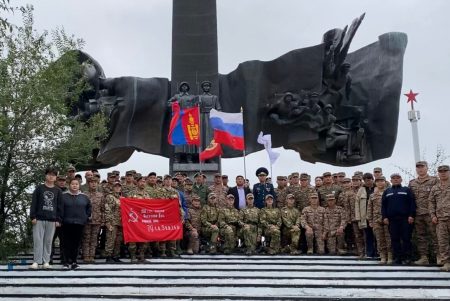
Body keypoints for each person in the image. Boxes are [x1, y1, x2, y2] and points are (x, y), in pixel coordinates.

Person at [29, 167, 63, 269]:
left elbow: (60, 206)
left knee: (48, 241)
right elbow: (34, 203)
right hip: (38, 218)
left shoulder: (58, 191)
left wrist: (58, 219)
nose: (51, 176)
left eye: (53, 175)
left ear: (56, 177)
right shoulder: (39, 188)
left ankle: (46, 261)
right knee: (38, 240)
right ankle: (36, 261)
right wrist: (33, 216)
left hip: (52, 219)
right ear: (46, 175)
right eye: (49, 174)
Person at [408, 161, 439, 265]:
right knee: (421, 236)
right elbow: (410, 200)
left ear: (427, 168)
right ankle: (424, 257)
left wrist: (435, 213)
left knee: (435, 235)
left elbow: (438, 196)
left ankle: (440, 257)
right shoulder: (412, 183)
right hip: (417, 214)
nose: (420, 169)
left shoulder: (434, 180)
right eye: (418, 167)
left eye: (422, 167)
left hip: (431, 213)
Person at [382, 173, 416, 265]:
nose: (396, 179)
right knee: (394, 239)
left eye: (398, 178)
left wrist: (411, 215)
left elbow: (412, 203)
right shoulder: (387, 191)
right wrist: (384, 217)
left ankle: (407, 258)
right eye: (393, 178)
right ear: (390, 180)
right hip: (392, 220)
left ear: (401, 180)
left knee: (406, 238)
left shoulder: (406, 190)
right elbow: (383, 206)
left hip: (405, 219)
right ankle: (397, 258)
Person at [61, 178, 92, 269]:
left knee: (76, 243)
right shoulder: (63, 196)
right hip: (66, 223)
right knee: (66, 243)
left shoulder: (84, 197)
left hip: (79, 223)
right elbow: (59, 208)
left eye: (76, 184)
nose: (74, 185)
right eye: (73, 184)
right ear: (69, 185)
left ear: (79, 186)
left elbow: (89, 208)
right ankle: (66, 262)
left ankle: (74, 261)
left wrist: (86, 217)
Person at [428, 165, 450, 271]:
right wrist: (433, 215)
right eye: (440, 171)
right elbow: (431, 202)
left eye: (445, 171)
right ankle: (446, 263)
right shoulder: (435, 188)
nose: (443, 173)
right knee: (442, 242)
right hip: (440, 219)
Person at [367, 176, 392, 264]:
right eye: (378, 181)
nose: (380, 183)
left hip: (388, 219)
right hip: (376, 220)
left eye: (382, 181)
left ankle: (390, 256)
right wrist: (370, 220)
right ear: (375, 183)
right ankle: (383, 256)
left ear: (385, 182)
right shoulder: (372, 195)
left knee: (389, 238)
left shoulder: (389, 193)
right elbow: (369, 209)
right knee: (379, 239)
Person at [82, 178, 105, 263]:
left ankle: (92, 256)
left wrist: (103, 220)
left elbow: (103, 209)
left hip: (97, 220)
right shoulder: (84, 195)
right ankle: (86, 256)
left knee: (94, 239)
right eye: (91, 182)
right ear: (88, 184)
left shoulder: (101, 195)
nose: (93, 184)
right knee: (86, 238)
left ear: (98, 184)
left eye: (95, 182)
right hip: (86, 220)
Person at [356, 172, 376, 258]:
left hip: (376, 216)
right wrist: (358, 217)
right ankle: (369, 253)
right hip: (365, 216)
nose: (368, 181)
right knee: (368, 235)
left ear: (372, 179)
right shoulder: (361, 190)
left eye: (369, 179)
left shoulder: (377, 188)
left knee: (378, 236)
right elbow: (357, 204)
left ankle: (378, 253)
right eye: (366, 180)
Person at [104, 182, 123, 263]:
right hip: (112, 222)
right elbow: (108, 210)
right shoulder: (110, 197)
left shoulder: (121, 198)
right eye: (116, 186)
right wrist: (108, 222)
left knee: (118, 240)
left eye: (119, 186)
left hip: (120, 222)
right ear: (113, 187)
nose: (117, 188)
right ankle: (108, 256)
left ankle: (116, 256)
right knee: (111, 239)